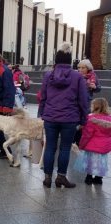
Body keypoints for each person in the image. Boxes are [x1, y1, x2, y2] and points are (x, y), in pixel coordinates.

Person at [39, 43, 88, 189]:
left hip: (50, 117)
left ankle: (47, 178)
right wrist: (84, 118)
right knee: (65, 148)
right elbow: (83, 100)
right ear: (70, 60)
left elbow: (43, 96)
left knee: (50, 147)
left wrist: (42, 113)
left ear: (56, 60)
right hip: (70, 118)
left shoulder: (48, 75)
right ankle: (61, 177)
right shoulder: (77, 76)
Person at [74, 98, 111, 185]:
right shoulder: (109, 119)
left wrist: (82, 145)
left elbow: (87, 134)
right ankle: (99, 178)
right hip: (104, 146)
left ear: (94, 106)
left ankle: (89, 178)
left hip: (91, 145)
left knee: (90, 161)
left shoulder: (91, 118)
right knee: (102, 162)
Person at [74, 59, 101, 146]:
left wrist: (95, 87)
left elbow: (99, 88)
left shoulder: (93, 76)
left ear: (88, 68)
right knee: (76, 122)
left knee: (84, 122)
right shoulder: (76, 75)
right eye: (79, 68)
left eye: (83, 68)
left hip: (87, 103)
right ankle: (74, 141)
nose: (80, 70)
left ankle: (81, 142)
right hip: (76, 102)